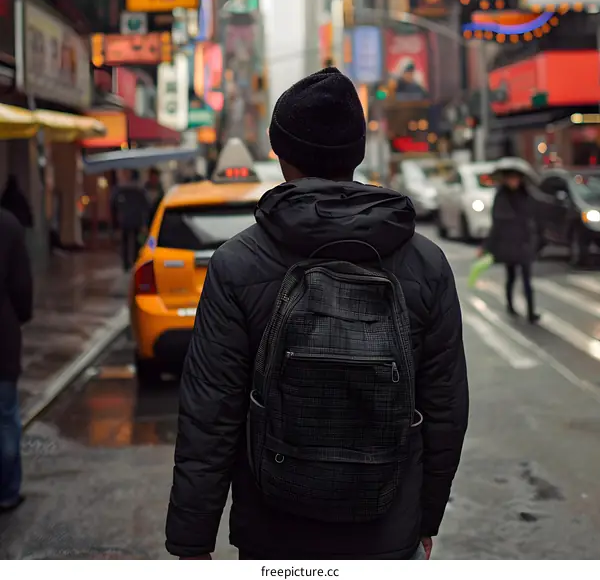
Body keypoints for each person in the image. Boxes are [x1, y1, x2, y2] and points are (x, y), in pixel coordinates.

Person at [166, 67, 468, 560]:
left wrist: (191, 543)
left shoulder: (238, 262)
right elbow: (445, 412)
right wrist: (425, 518)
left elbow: (209, 415)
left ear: (281, 155)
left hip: (274, 535)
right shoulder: (426, 263)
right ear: (358, 152)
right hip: (386, 530)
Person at [0, 207, 33, 512]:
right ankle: (7, 490)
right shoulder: (9, 224)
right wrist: (20, 315)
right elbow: (22, 287)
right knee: (6, 417)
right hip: (2, 338)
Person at [484, 168, 540, 323]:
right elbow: (497, 222)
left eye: (516, 179)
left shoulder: (526, 195)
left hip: (523, 242)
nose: (514, 182)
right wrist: (489, 246)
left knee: (527, 279)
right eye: (511, 179)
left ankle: (531, 312)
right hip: (508, 243)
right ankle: (510, 305)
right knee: (511, 276)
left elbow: (533, 214)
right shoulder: (501, 196)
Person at [111, 170, 150, 272]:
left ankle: (130, 263)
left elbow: (113, 204)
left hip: (131, 219)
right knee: (129, 242)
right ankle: (130, 263)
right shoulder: (135, 189)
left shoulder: (124, 190)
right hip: (130, 220)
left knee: (133, 242)